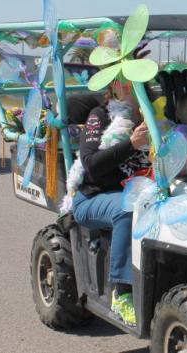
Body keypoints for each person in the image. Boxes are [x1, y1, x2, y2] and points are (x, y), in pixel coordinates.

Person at [71, 80, 152, 326]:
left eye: (132, 79)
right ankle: (122, 293)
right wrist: (131, 145)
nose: (126, 85)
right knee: (128, 210)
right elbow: (91, 163)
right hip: (92, 197)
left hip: (140, 191)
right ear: (113, 86)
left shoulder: (152, 116)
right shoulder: (101, 115)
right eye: (120, 80)